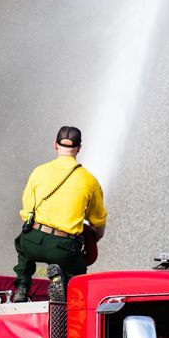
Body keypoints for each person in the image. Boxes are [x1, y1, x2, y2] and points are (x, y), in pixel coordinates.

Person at [12, 125, 107, 302]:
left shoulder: (38, 171)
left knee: (22, 247)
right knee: (76, 273)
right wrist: (93, 239)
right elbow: (98, 221)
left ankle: (22, 287)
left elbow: (26, 212)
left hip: (33, 241)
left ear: (55, 145)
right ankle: (62, 281)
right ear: (79, 148)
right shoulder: (89, 180)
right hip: (64, 248)